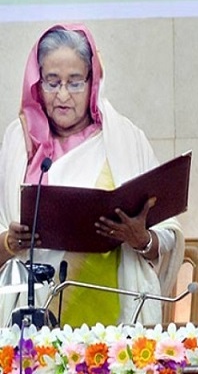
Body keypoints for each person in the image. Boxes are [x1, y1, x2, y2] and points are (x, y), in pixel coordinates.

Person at [0, 23, 185, 326]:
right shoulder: (18, 144)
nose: (62, 95)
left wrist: (141, 239)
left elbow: (168, 234)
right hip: (29, 324)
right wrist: (10, 242)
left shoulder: (124, 140)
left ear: (92, 82)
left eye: (74, 83)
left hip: (115, 323)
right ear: (37, 83)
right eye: (52, 82)